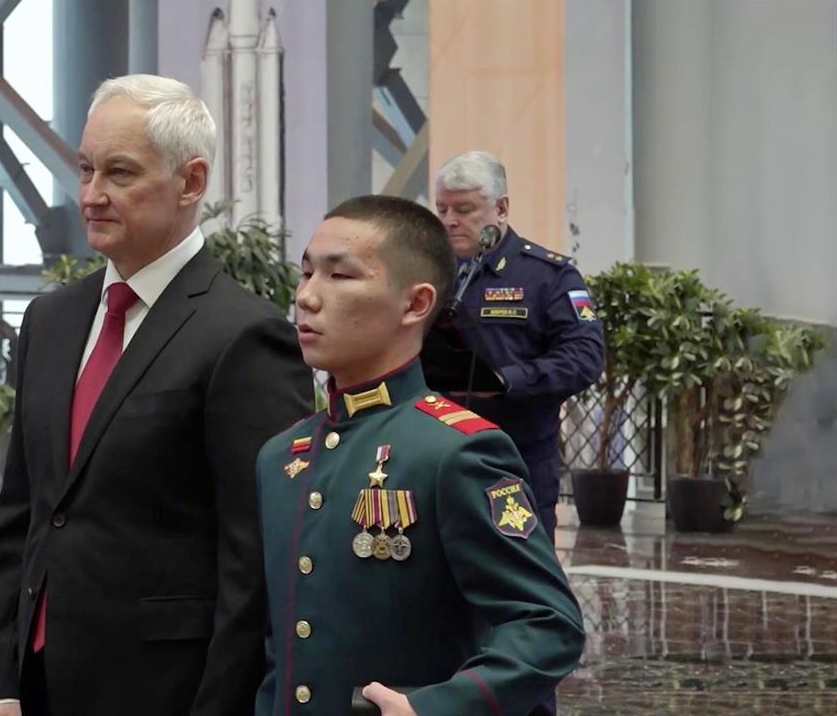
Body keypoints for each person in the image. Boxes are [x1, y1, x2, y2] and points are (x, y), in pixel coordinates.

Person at [0, 74, 315, 716]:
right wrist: (1, 684)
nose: (91, 195)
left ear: (190, 182)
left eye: (120, 173)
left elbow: (254, 560)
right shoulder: (50, 321)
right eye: (86, 169)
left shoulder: (244, 336)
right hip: (37, 682)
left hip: (163, 688)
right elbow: (23, 514)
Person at [255, 195, 584, 716]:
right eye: (307, 272)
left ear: (415, 304)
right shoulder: (282, 457)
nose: (307, 297)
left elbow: (547, 624)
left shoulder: (457, 451)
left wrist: (436, 707)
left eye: (340, 276)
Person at [433, 151, 604, 539]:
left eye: (464, 209)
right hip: (437, 452)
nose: (450, 220)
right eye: (442, 209)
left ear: (501, 208)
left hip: (515, 454)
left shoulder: (548, 276)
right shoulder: (429, 274)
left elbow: (585, 357)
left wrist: (508, 380)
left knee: (521, 565)